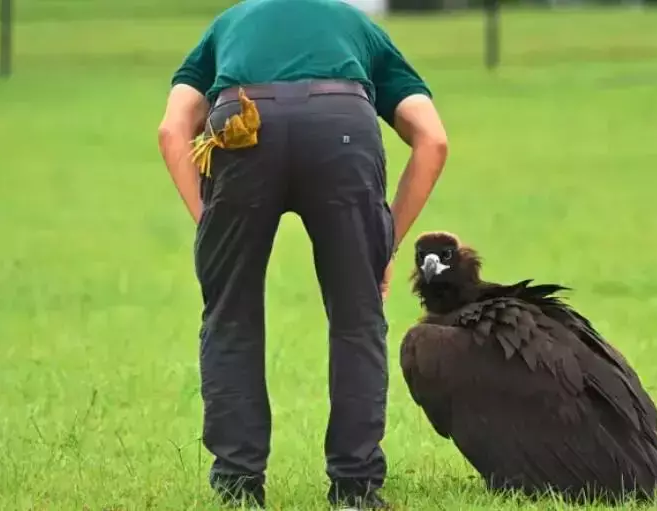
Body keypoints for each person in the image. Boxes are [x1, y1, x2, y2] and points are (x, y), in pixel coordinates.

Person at [156, 0, 448, 508]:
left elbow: (171, 129)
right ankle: (355, 489)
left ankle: (239, 488)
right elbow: (433, 140)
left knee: (231, 318)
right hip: (342, 126)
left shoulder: (228, 23)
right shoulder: (357, 24)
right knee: (357, 320)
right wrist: (385, 239)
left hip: (242, 122)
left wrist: (210, 222)